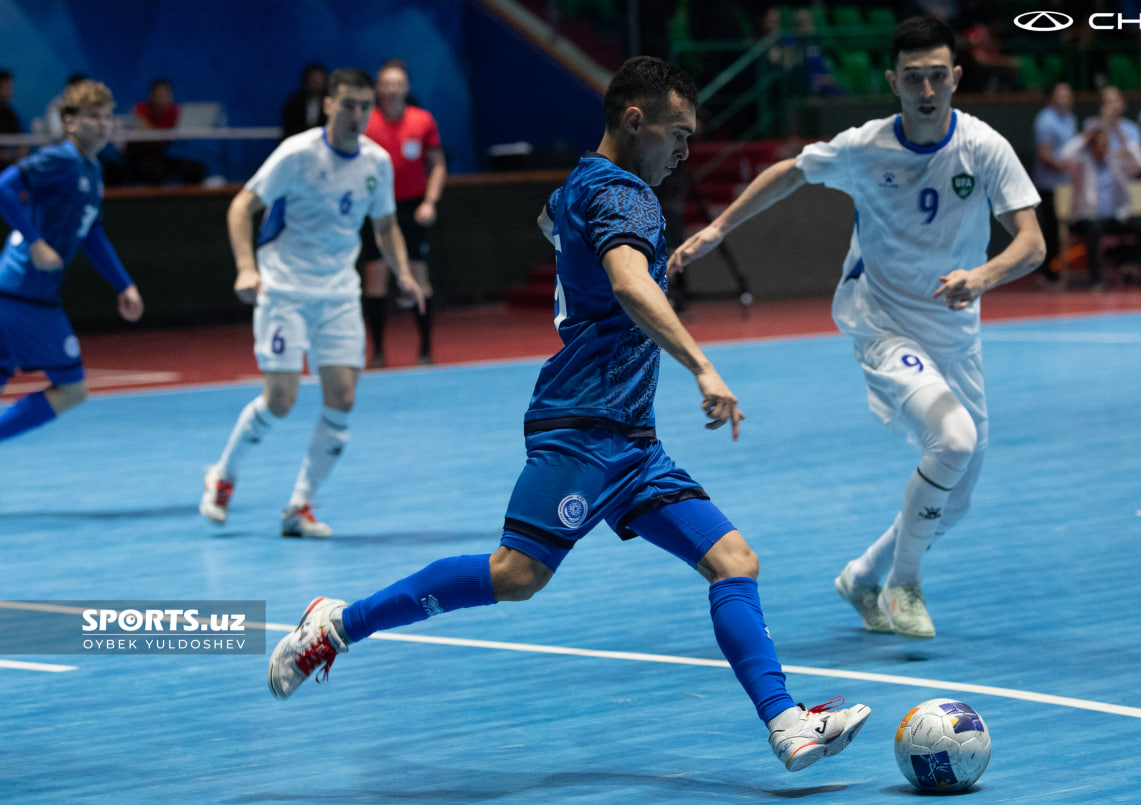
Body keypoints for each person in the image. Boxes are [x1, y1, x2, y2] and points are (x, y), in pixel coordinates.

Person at [266, 56, 872, 772]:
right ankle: (338, 622)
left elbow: (555, 224)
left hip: (633, 441)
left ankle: (785, 723)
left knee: (734, 559)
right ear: (634, 120)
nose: (684, 151)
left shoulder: (579, 184)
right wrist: (702, 364)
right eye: (677, 135)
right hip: (582, 428)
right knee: (516, 573)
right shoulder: (631, 198)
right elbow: (624, 282)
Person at [670, 17, 1045, 640]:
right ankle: (904, 585)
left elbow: (1031, 244)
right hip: (883, 324)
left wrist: (981, 277)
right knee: (950, 441)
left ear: (955, 78)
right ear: (893, 81)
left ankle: (864, 576)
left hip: (956, 333)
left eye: (937, 77)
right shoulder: (865, 147)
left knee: (957, 498)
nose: (927, 91)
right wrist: (718, 228)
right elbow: (789, 171)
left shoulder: (983, 148)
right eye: (914, 78)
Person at [198, 68, 425, 538]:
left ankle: (299, 507)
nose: (356, 115)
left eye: (364, 106)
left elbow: (385, 226)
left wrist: (402, 273)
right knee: (280, 400)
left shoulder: (377, 162)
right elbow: (241, 206)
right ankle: (223, 475)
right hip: (284, 290)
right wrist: (246, 266)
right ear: (328, 105)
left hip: (340, 293)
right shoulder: (296, 154)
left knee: (341, 398)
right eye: (348, 105)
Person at [0, 79, 144, 443]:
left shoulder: (92, 171)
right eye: (92, 117)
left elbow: (92, 233)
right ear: (70, 122)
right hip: (24, 295)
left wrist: (123, 283)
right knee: (72, 388)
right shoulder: (62, 159)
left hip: (21, 294)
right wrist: (35, 242)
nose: (103, 124)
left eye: (107, 116)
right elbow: (3, 186)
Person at [359, 60, 446, 367]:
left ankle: (425, 349)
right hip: (377, 210)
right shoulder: (365, 122)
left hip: (413, 207)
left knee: (419, 277)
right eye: (387, 83)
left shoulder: (422, 120)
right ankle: (379, 351)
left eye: (398, 83)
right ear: (378, 89)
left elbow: (437, 165)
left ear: (406, 87)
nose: (393, 89)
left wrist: (430, 202)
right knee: (376, 277)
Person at [1062, 126, 1141, 289]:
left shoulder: (1116, 163)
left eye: (1105, 144)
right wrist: (1084, 137)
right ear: (1091, 146)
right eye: (1098, 144)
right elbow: (1065, 156)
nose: (1103, 148)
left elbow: (1140, 163)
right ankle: (1096, 281)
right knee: (1094, 228)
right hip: (1087, 217)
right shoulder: (1080, 165)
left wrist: (1120, 136)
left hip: (1114, 218)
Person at [1031, 82, 1078, 283]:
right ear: (1051, 98)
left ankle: (1059, 269)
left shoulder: (1071, 119)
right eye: (1061, 95)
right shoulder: (1045, 120)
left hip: (1067, 185)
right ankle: (1047, 271)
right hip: (1049, 184)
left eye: (1068, 95)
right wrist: (1066, 166)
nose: (1066, 99)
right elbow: (1044, 155)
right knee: (1051, 229)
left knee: (1063, 230)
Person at [124, 78, 207, 185]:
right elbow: (145, 128)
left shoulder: (174, 111)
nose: (162, 99)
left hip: (161, 159)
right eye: (159, 95)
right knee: (153, 171)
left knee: (197, 169)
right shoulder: (141, 109)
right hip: (141, 159)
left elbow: (183, 129)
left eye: (165, 95)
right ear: (151, 96)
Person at [281, 62, 328, 139]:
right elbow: (290, 129)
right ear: (306, 81)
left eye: (319, 80)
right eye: (313, 80)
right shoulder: (294, 103)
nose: (316, 84)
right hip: (298, 142)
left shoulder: (332, 103)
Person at [0, 69, 27, 170]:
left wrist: (20, 156)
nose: (10, 92)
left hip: (7, 169)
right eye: (6, 88)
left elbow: (21, 140)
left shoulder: (9, 114)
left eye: (10, 88)